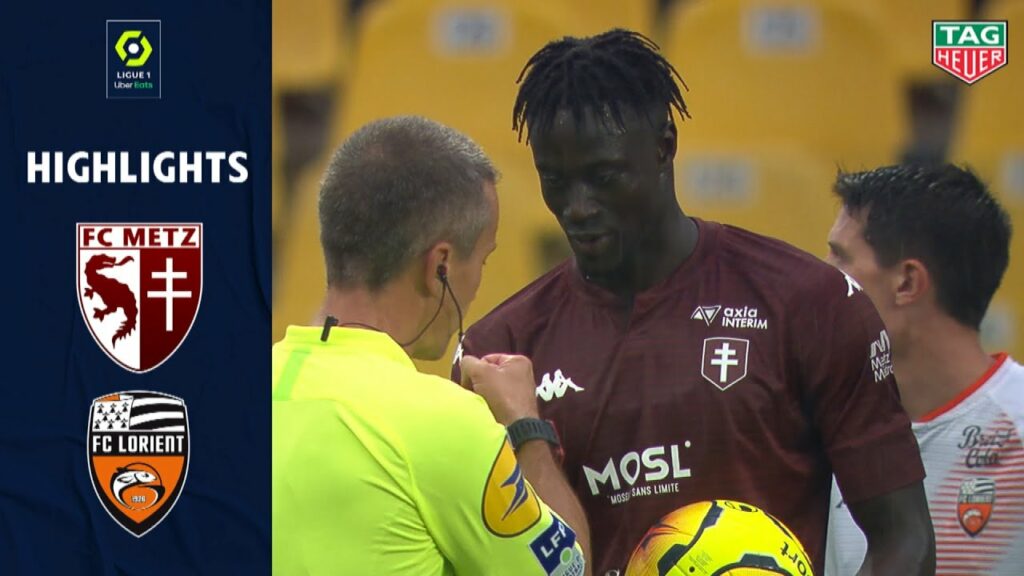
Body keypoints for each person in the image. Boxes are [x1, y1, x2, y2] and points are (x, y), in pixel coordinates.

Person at [452, 30, 935, 575]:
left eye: (603, 177)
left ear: (664, 147)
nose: (577, 207)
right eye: (555, 180)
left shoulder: (807, 304)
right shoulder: (500, 350)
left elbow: (906, 540)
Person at [272, 116, 590, 575]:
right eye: (483, 259)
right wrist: (525, 427)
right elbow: (570, 570)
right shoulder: (444, 423)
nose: (478, 281)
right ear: (440, 265)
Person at [825, 164, 1024, 575]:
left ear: (907, 283)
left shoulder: (1017, 429)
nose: (818, 278)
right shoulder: (822, 432)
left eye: (840, 258)